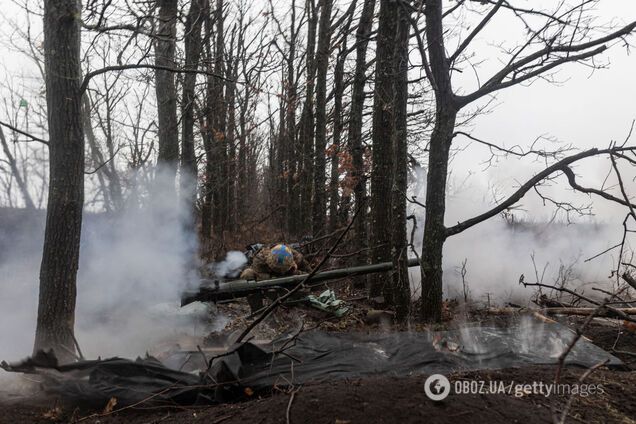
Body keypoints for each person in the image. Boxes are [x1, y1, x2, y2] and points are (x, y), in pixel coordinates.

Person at [240, 243, 310, 281]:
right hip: (268, 276)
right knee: (247, 274)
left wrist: (296, 273)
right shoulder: (260, 260)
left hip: (288, 274)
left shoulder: (296, 256)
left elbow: (309, 272)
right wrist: (271, 277)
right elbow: (258, 274)